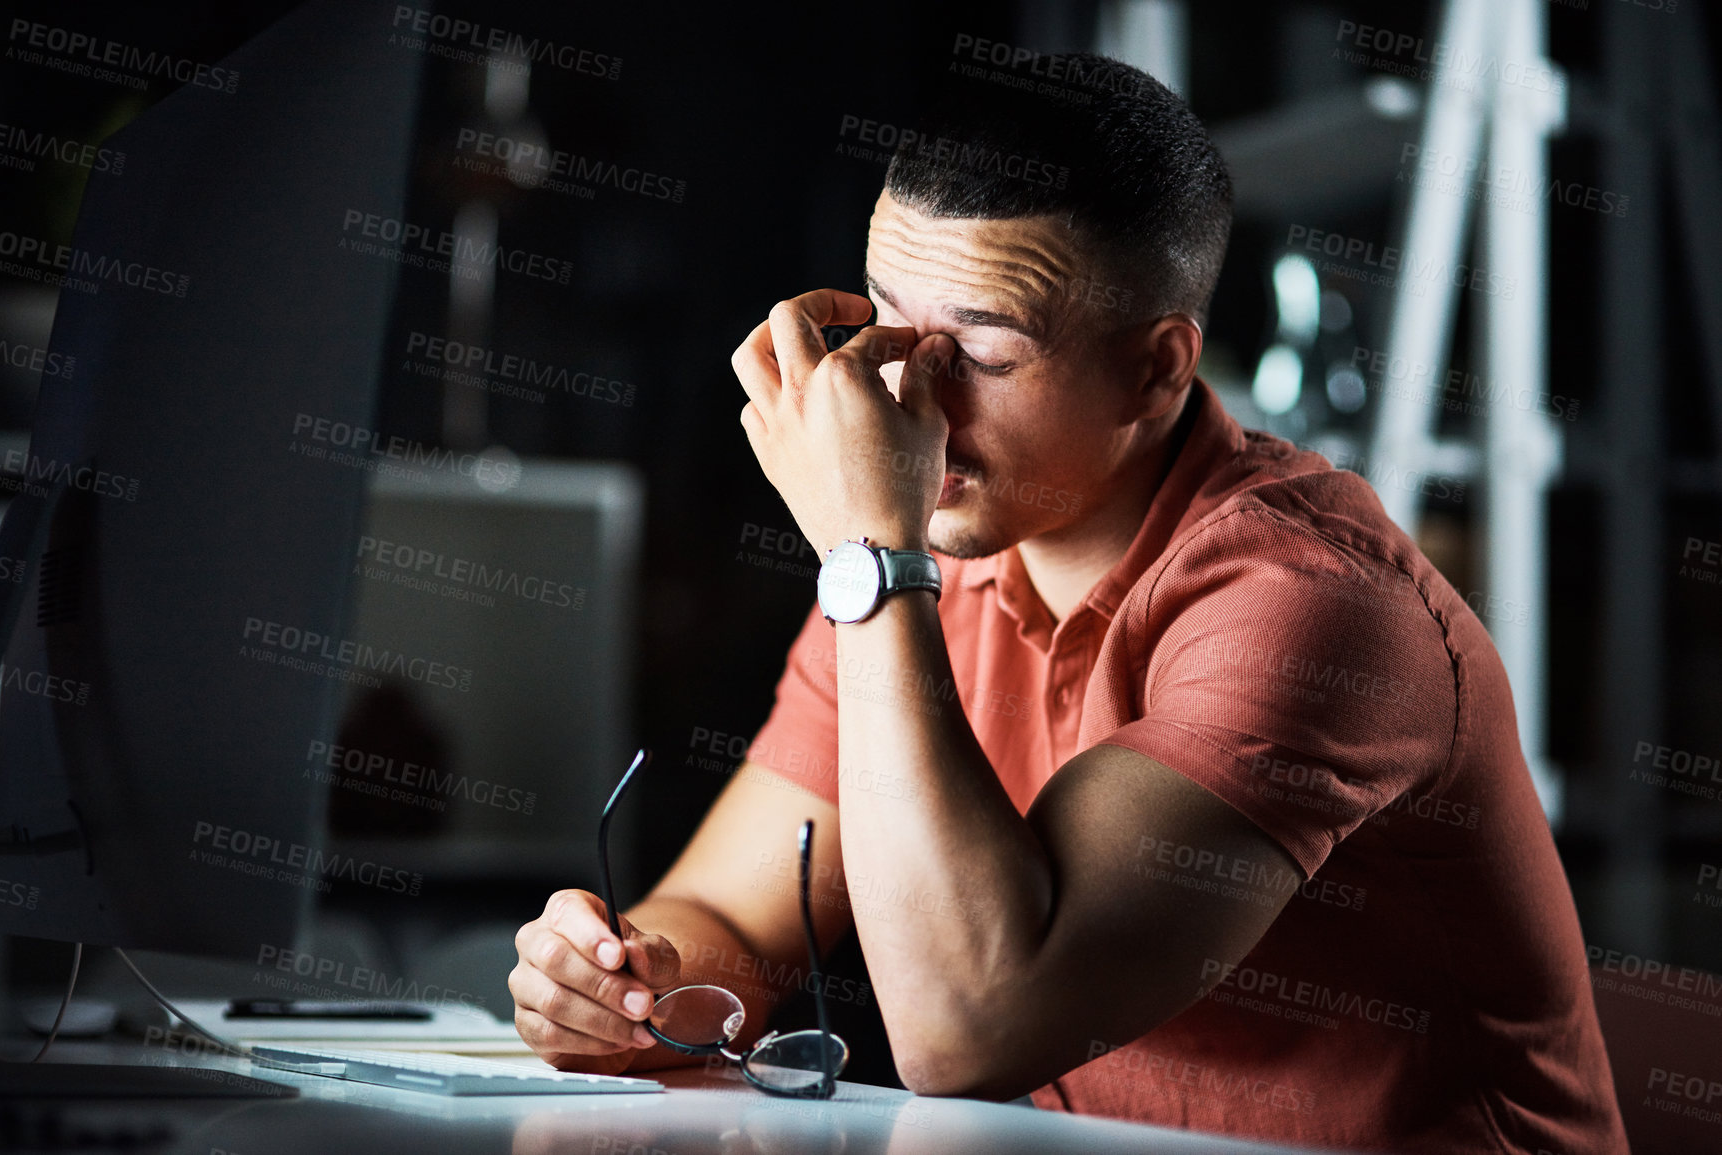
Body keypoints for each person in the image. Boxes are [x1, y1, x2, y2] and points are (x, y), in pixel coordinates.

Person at [511, 52, 1626, 1153]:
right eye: (888, 324)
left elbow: (967, 1033)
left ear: (1157, 369)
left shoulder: (1312, 607)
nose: (903, 397)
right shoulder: (920, 559)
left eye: (982, 357)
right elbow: (729, 929)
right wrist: (620, 984)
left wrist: (867, 552)